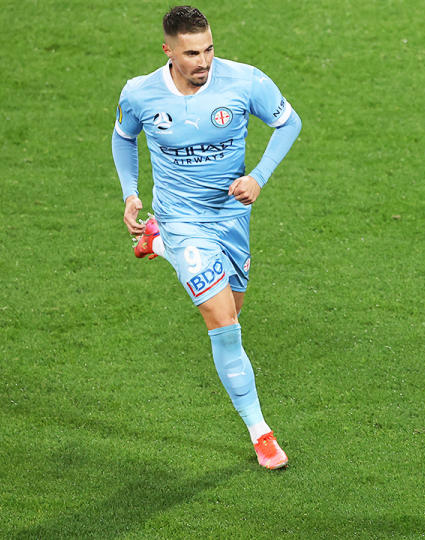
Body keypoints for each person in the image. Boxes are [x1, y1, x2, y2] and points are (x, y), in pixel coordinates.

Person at [111, 6, 302, 470]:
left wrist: (258, 176)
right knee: (222, 323)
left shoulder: (244, 81)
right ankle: (261, 433)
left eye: (209, 49)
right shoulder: (140, 93)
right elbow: (123, 138)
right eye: (192, 53)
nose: (204, 61)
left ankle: (155, 243)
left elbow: (288, 123)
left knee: (232, 308)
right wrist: (131, 194)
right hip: (181, 218)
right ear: (169, 51)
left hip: (231, 219)